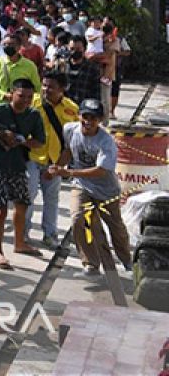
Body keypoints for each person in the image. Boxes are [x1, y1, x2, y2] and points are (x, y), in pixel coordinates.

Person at [50, 98, 132, 278]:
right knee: (79, 219)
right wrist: (56, 168)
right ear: (79, 115)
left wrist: (69, 172)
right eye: (85, 116)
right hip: (82, 186)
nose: (88, 122)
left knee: (115, 227)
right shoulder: (70, 130)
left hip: (106, 191)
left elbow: (101, 171)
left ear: (100, 120)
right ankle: (90, 264)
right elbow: (68, 151)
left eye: (93, 118)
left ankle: (127, 260)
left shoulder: (106, 141)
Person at [0, 78, 45, 270]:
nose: (26, 101)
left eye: (30, 97)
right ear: (12, 93)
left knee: (22, 205)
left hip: (18, 165)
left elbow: (39, 141)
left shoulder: (33, 115)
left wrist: (21, 141)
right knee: (0, 209)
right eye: (22, 96)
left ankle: (19, 243)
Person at [26, 72, 79, 249]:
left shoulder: (71, 109)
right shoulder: (32, 102)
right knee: (28, 195)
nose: (46, 90)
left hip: (54, 161)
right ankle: (23, 234)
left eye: (51, 87)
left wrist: (59, 166)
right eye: (44, 85)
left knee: (51, 199)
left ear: (63, 89)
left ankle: (50, 235)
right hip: (31, 157)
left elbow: (72, 143)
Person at [0, 34, 42, 103]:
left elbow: (37, 88)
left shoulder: (30, 66)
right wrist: (3, 95)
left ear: (19, 46)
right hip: (3, 105)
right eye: (5, 44)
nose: (7, 46)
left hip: (23, 106)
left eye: (11, 44)